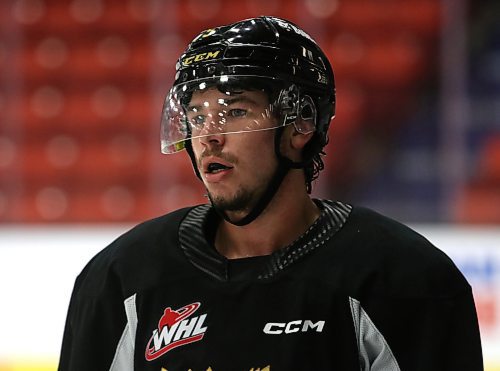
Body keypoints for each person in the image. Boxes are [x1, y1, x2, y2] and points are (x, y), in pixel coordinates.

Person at [58, 16, 483, 371]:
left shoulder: (402, 278)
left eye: (235, 111)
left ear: (301, 123)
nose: (208, 137)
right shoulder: (120, 278)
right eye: (196, 116)